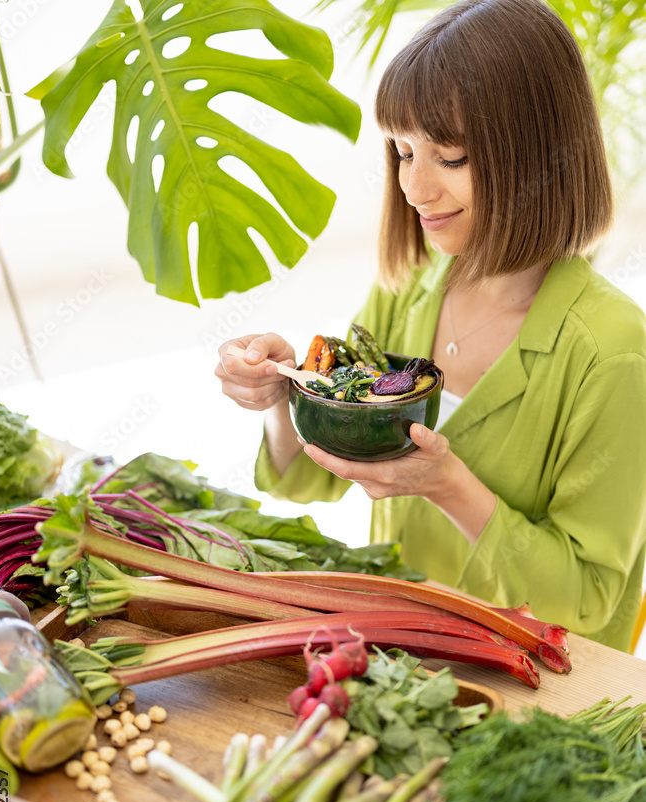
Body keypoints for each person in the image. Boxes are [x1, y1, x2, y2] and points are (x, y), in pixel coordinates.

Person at [215, 0, 646, 652]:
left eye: (448, 157)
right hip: (400, 655)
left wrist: (448, 485)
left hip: (535, 692)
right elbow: (313, 476)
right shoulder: (408, 288)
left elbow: (586, 600)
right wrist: (286, 395)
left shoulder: (613, 353)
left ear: (539, 158)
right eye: (402, 150)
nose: (414, 187)